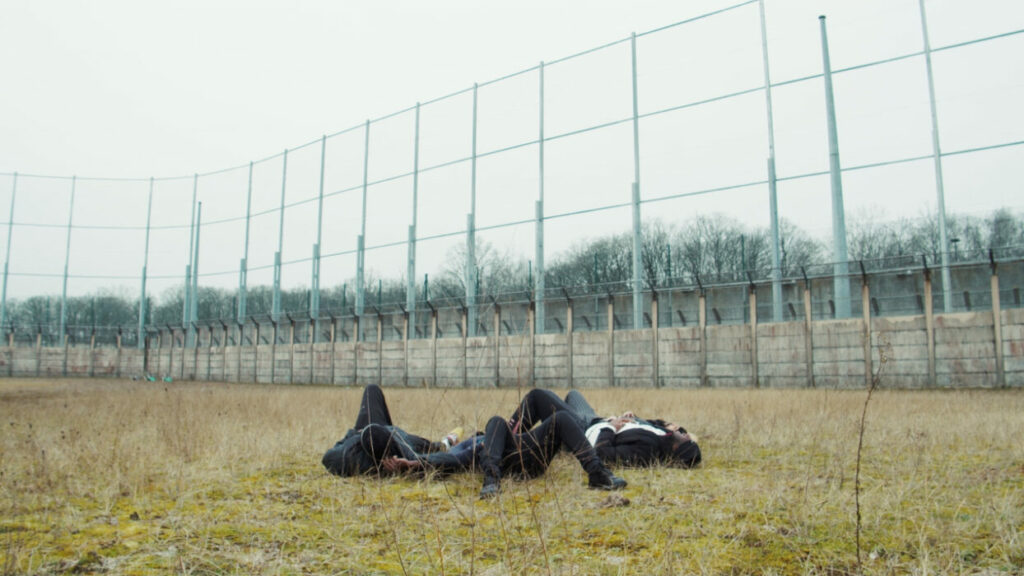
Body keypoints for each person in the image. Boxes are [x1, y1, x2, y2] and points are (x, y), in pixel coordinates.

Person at [386, 410, 627, 499]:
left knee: (561, 418)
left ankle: (597, 472)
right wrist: (418, 463)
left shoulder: (489, 435)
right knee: (496, 420)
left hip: (525, 451)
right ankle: (491, 481)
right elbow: (453, 459)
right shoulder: (467, 447)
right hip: (504, 463)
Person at [506, 388, 701, 469]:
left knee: (538, 397)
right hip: (594, 420)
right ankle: (554, 440)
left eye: (686, 439)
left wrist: (610, 427)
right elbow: (655, 427)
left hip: (584, 431)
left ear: (677, 448)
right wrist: (633, 418)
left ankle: (506, 440)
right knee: (573, 395)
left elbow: (603, 454)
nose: (684, 434)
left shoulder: (647, 449)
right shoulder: (663, 434)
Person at [322, 384, 478, 477]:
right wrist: (409, 465)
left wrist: (354, 435)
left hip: (366, 434)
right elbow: (435, 460)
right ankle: (446, 442)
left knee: (372, 389)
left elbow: (328, 458)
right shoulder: (402, 448)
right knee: (429, 446)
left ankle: (443, 444)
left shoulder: (347, 455)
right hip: (380, 436)